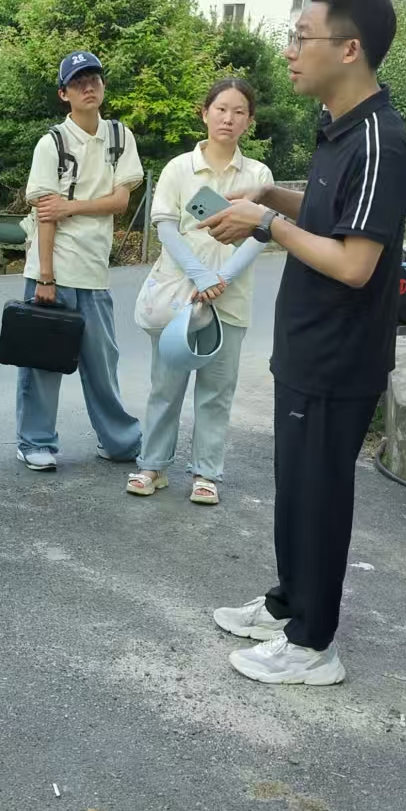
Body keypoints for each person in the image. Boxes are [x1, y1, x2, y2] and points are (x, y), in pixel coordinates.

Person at [202, 0, 406, 686]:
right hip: (306, 347)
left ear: (349, 48)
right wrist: (273, 196)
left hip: (337, 356)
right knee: (296, 488)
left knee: (319, 496)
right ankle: (288, 604)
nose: (290, 52)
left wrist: (266, 222)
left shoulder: (381, 140)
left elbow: (355, 263)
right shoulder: (339, 128)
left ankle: (313, 644)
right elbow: (330, 219)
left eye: (302, 37)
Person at [127, 78, 273, 504]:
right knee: (165, 386)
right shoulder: (179, 168)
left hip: (230, 299)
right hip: (179, 296)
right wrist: (199, 275)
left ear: (249, 120)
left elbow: (260, 235)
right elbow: (166, 227)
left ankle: (206, 473)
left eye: (239, 112)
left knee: (216, 391)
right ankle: (152, 466)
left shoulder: (258, 175)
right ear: (205, 112)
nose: (228, 118)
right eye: (221, 109)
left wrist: (221, 278)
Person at [15, 51, 144, 473]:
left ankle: (120, 441)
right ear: (63, 94)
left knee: (103, 363)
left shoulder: (119, 136)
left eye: (94, 79)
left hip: (94, 269)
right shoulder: (51, 143)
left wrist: (70, 207)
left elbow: (120, 202)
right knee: (42, 362)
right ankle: (35, 442)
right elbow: (44, 214)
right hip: (51, 269)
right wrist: (45, 277)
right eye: (78, 81)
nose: (88, 87)